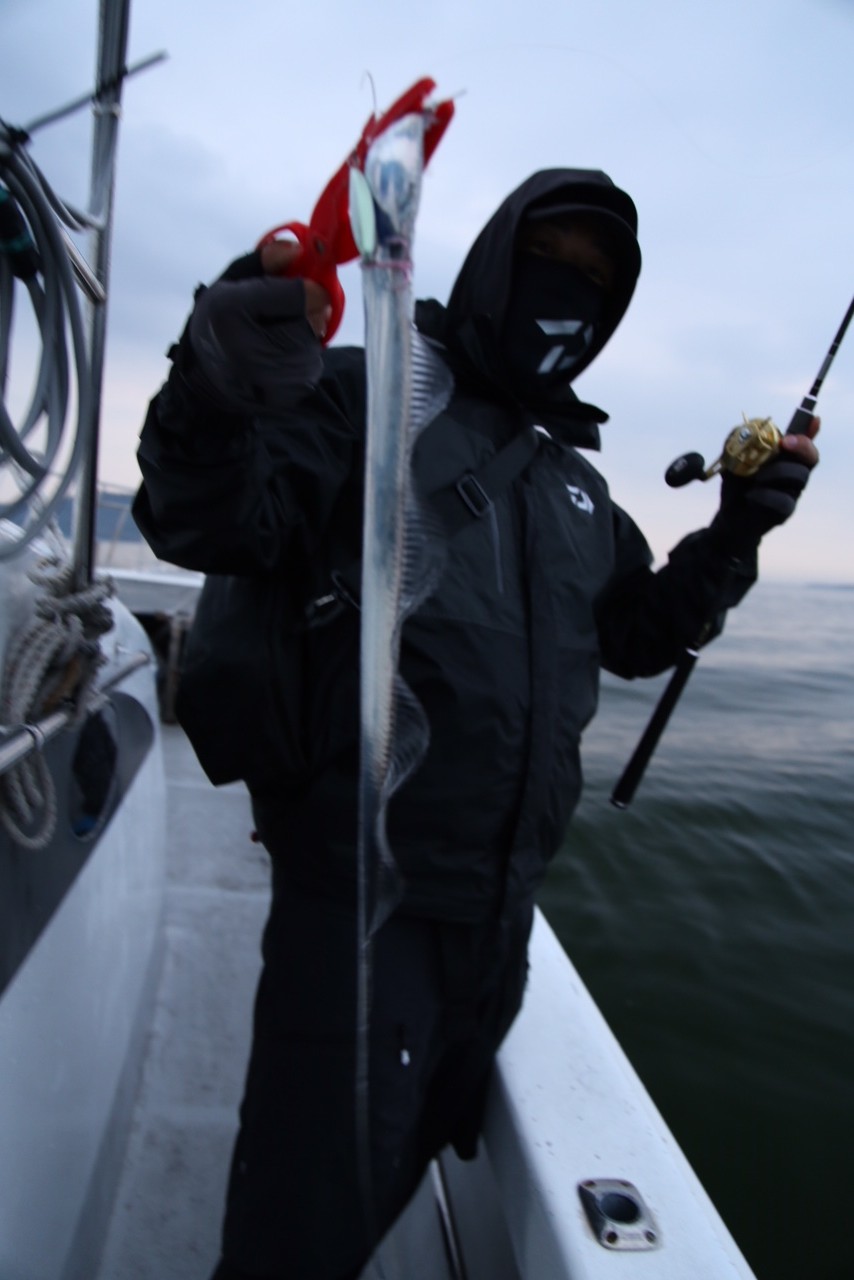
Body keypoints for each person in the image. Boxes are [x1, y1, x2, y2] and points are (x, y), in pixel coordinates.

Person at [132, 167, 819, 1280]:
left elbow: (638, 634)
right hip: (361, 910)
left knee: (404, 1164)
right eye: (551, 260)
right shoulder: (365, 399)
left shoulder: (577, 492)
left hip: (500, 920)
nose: (567, 294)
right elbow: (203, 514)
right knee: (295, 1234)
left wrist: (733, 532)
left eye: (594, 282)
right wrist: (216, 381)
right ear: (498, 261)